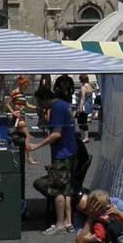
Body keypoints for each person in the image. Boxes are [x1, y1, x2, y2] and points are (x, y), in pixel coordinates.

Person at [26, 73, 81, 234]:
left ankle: (59, 223)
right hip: (70, 150)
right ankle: (68, 222)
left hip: (62, 152)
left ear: (43, 100)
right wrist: (41, 114)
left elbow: (56, 133)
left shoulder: (56, 108)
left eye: (39, 102)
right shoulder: (63, 105)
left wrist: (36, 146)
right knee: (66, 189)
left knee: (57, 189)